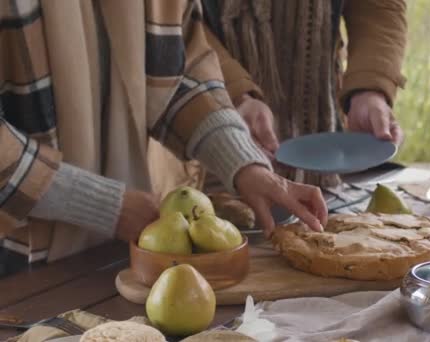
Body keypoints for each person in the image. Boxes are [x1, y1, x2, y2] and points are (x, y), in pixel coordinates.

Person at [0, 0, 326, 265]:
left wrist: (244, 165)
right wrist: (103, 205)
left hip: (118, 254)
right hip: (18, 264)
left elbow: (180, 69)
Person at [147, 0, 407, 192]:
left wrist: (369, 88)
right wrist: (234, 96)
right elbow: (171, 21)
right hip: (203, 136)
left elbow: (379, 5)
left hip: (321, 131)